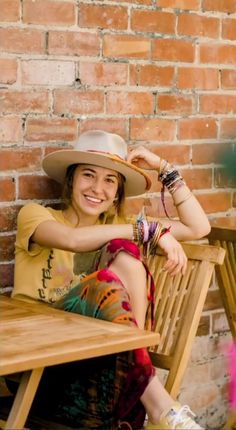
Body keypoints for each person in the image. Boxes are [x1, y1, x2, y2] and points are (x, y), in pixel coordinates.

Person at [12, 130, 210, 430]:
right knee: (110, 271)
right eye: (88, 175)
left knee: (126, 253)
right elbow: (72, 239)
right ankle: (163, 407)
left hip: (97, 374)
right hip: (37, 373)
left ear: (118, 192)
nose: (97, 188)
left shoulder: (120, 227)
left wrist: (165, 169)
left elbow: (198, 227)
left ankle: (140, 377)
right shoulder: (36, 216)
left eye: (110, 180)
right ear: (70, 180)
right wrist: (145, 232)